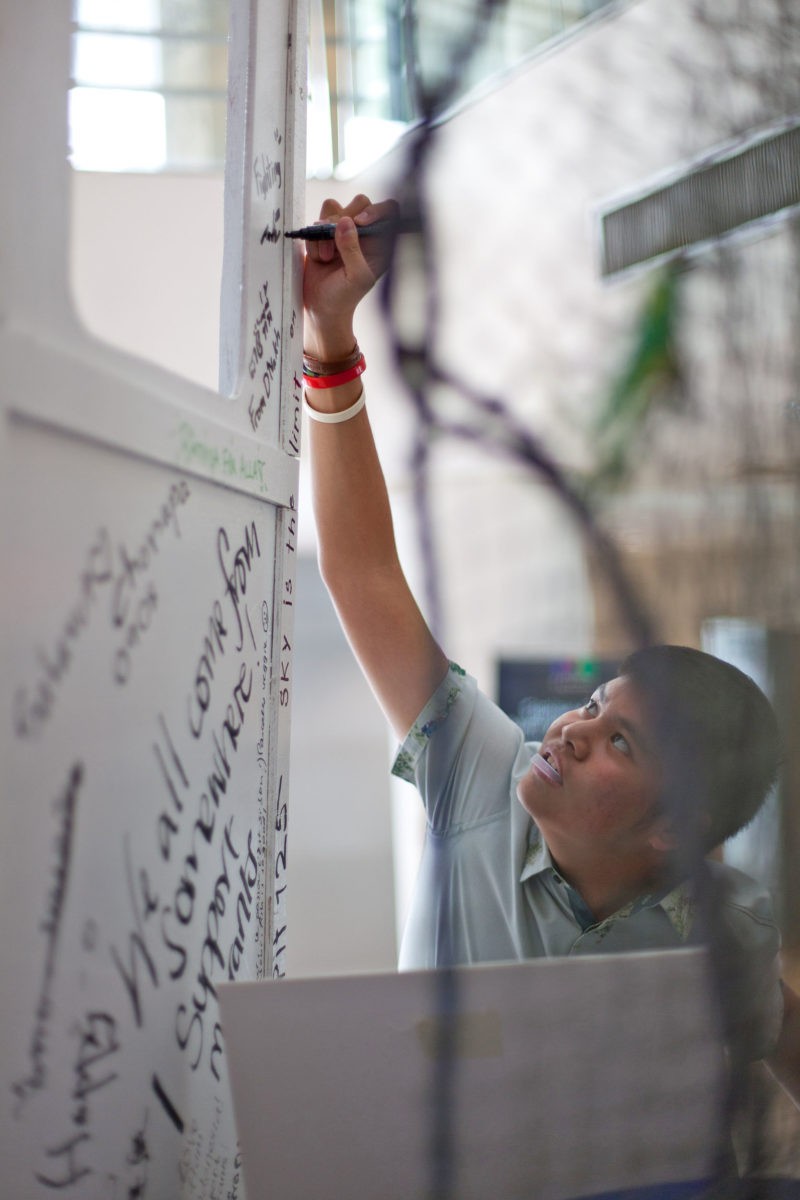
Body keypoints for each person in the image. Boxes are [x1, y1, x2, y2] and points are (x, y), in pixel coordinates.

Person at [301, 193, 800, 1100]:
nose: (570, 729)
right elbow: (363, 575)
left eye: (620, 743)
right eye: (597, 704)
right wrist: (330, 342)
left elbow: (778, 1032)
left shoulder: (724, 926)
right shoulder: (482, 775)